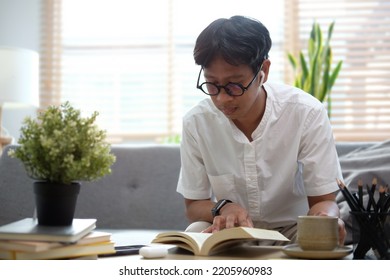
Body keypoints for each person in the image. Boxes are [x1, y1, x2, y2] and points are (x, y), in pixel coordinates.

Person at [176, 15, 346, 245]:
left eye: (234, 85)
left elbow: (323, 200)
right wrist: (224, 208)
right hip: (230, 230)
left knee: (320, 240)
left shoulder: (306, 113)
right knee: (195, 231)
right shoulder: (196, 122)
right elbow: (194, 206)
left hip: (292, 230)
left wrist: (327, 218)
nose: (222, 99)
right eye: (212, 85)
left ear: (263, 70)